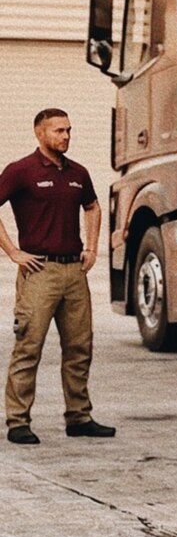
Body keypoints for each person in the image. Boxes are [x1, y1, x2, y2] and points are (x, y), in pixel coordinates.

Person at [0, 109, 110, 443]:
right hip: (39, 272)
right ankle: (18, 421)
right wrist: (13, 252)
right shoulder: (21, 171)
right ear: (39, 133)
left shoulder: (78, 173)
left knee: (80, 346)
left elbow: (92, 207)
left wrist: (91, 247)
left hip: (74, 272)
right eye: (59, 131)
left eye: (69, 131)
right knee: (28, 346)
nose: (65, 136)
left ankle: (79, 417)